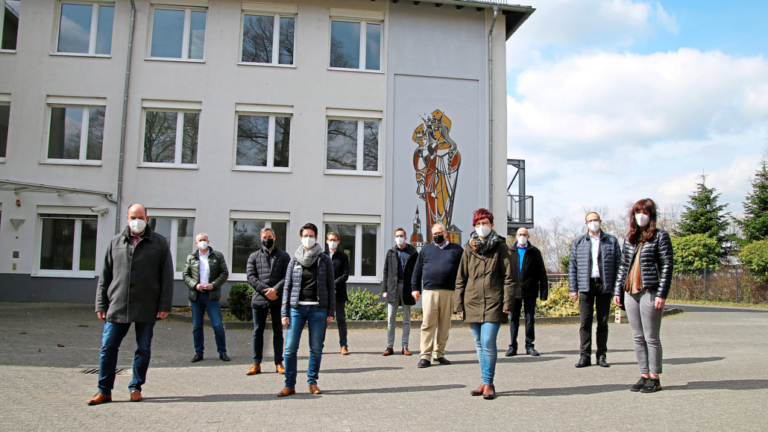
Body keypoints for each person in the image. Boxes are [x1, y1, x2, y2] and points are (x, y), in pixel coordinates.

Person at [88, 204, 173, 405]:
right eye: (133, 217)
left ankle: (136, 387)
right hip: (117, 305)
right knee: (108, 347)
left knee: (142, 348)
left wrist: (164, 305)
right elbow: (105, 275)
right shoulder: (115, 242)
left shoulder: (159, 243)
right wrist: (101, 304)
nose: (137, 220)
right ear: (127, 218)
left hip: (147, 305)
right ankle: (104, 390)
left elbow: (167, 277)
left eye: (140, 217)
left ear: (147, 218)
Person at [614, 198, 673, 393]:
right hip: (630, 292)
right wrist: (618, 291)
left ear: (651, 215)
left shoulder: (660, 236)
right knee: (637, 337)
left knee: (651, 337)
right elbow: (623, 267)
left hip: (649, 291)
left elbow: (666, 266)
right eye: (638, 212)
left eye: (645, 212)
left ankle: (655, 378)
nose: (641, 216)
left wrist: (661, 294)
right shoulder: (629, 238)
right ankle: (644, 374)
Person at [455, 209, 514, 400]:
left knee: (488, 342)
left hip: (494, 302)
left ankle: (489, 383)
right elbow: (461, 278)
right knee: (479, 344)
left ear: (492, 225)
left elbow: (509, 278)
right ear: (474, 226)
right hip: (472, 302)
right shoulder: (469, 248)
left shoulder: (501, 247)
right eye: (479, 223)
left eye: (485, 223)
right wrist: (459, 303)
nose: (482, 227)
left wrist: (508, 302)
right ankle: (484, 381)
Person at [278, 223, 335, 397]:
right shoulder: (294, 259)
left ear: (316, 238)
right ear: (301, 237)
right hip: (296, 309)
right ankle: (289, 385)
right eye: (305, 235)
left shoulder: (324, 259)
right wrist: (284, 313)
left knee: (316, 348)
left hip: (318, 309)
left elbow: (330, 285)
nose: (308, 238)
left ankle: (312, 382)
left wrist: (330, 311)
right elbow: (287, 286)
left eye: (311, 235)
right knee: (289, 349)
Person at [568, 212, 621, 368]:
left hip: (604, 286)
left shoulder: (611, 241)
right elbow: (573, 266)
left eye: (595, 220)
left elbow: (619, 266)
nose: (593, 223)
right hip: (586, 286)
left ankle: (601, 355)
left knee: (603, 323)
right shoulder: (579, 242)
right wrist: (573, 288)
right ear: (586, 224)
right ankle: (585, 356)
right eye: (590, 220)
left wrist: (617, 289)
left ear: (600, 221)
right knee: (585, 323)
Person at [411, 223, 463, 368]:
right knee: (428, 323)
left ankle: (439, 354)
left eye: (439, 233)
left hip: (449, 292)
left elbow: (464, 272)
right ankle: (425, 356)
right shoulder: (426, 250)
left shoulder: (457, 250)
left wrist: (461, 294)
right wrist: (415, 288)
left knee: (445, 324)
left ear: (446, 233)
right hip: (430, 292)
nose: (436, 236)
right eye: (434, 234)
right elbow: (417, 271)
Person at [246, 227, 290, 375]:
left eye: (269, 236)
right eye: (264, 237)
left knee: (278, 332)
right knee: (258, 331)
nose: (267, 239)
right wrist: (267, 291)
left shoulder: (284, 256)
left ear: (274, 237)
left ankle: (279, 363)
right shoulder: (253, 256)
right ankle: (256, 364)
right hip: (259, 299)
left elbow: (288, 277)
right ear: (260, 239)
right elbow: (251, 278)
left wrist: (275, 290)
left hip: (278, 299)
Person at [183, 233, 230, 363]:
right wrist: (195, 285)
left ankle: (222, 352)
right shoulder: (191, 257)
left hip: (211, 296)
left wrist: (214, 285)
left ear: (208, 241)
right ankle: (199, 353)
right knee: (197, 326)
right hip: (197, 296)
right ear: (196, 243)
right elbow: (186, 275)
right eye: (200, 240)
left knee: (218, 325)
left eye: (204, 240)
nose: (202, 242)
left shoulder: (217, 256)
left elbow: (224, 273)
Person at [506, 227, 548, 357]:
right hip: (513, 291)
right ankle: (513, 346)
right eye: (520, 234)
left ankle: (529, 345)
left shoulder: (534, 252)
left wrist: (544, 292)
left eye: (524, 234)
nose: (522, 236)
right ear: (516, 236)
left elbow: (542, 272)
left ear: (528, 236)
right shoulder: (509, 252)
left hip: (530, 290)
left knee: (530, 319)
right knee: (514, 319)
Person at [381, 227, 419, 356]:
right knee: (391, 318)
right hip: (393, 288)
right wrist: (384, 289)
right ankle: (389, 346)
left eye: (401, 235)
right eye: (397, 236)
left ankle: (405, 346)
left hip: (407, 288)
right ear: (394, 238)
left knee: (406, 319)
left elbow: (417, 272)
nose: (399, 238)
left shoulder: (413, 253)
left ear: (406, 238)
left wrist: (416, 289)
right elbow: (385, 271)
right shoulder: (390, 252)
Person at [324, 231, 350, 355]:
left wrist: (334, 284)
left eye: (334, 239)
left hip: (339, 292)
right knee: (322, 320)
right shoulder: (321, 256)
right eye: (330, 239)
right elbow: (319, 274)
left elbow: (345, 274)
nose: (332, 241)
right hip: (324, 293)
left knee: (341, 319)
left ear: (338, 241)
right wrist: (327, 287)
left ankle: (343, 345)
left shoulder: (343, 257)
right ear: (326, 241)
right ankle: (319, 345)